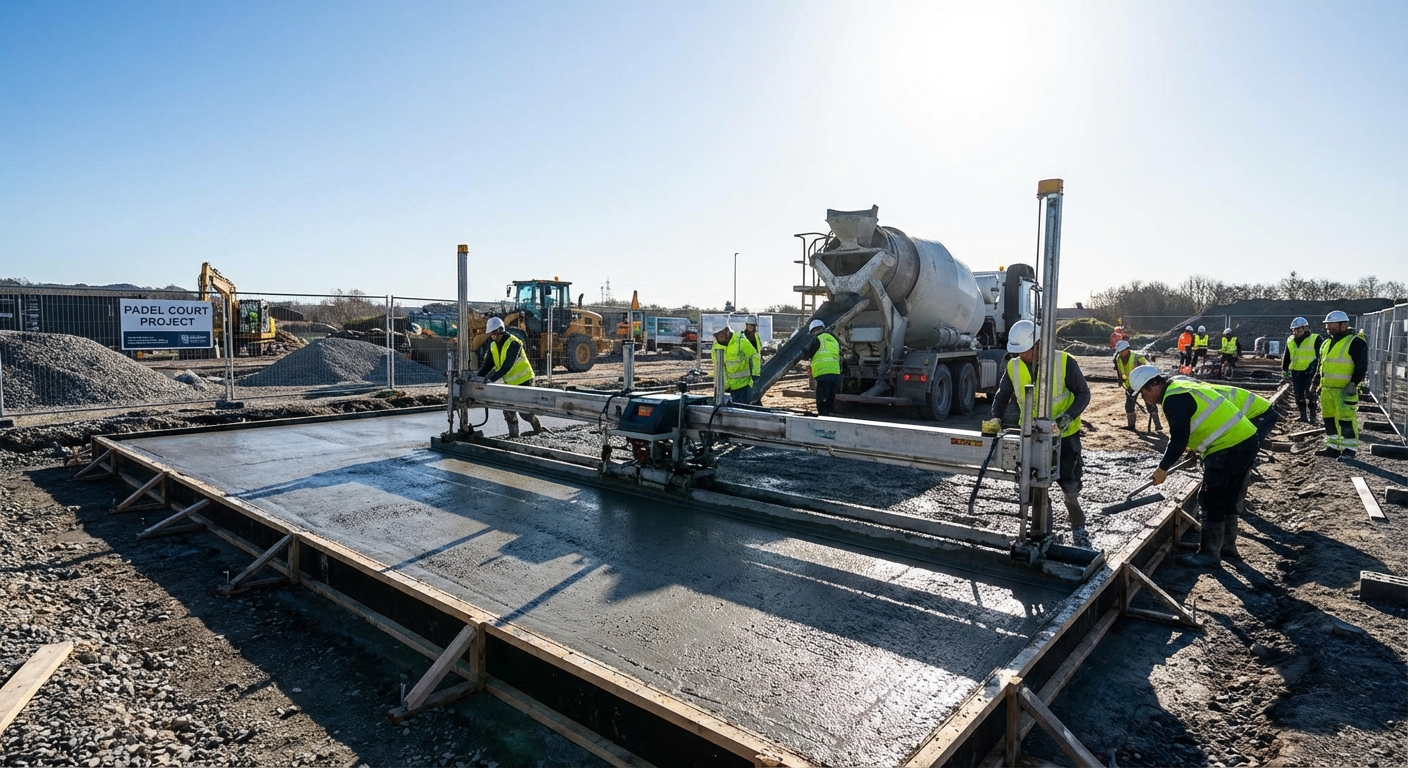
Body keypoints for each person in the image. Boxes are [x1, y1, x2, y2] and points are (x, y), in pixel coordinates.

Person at [1131, 365, 1259, 568]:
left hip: (1228, 446)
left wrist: (1163, 467)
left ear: (1154, 384)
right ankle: (1226, 547)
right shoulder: (1179, 386)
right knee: (1228, 496)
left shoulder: (1174, 398)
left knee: (1209, 499)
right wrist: (1195, 448)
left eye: (1143, 393)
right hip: (1245, 440)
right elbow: (1198, 421)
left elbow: (1178, 438)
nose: (1144, 398)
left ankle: (1209, 555)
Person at [985, 319, 1092, 548]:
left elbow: (1083, 394)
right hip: (1032, 437)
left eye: (1026, 351)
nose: (1022, 356)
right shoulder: (1014, 367)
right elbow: (1002, 397)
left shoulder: (1064, 362)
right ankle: (1044, 532)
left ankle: (1078, 528)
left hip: (1064, 436)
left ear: (1039, 343)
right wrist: (995, 418)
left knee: (1069, 487)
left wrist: (1065, 419)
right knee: (1035, 486)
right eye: (1019, 352)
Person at [476, 317, 544, 438]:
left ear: (501, 330)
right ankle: (514, 436)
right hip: (510, 382)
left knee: (524, 413)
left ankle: (538, 429)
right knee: (508, 410)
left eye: (494, 333)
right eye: (490, 333)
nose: (492, 336)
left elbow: (508, 365)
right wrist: (477, 378)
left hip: (524, 380)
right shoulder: (493, 345)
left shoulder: (514, 343)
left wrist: (492, 379)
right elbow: (488, 364)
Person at [1316, 310, 1368, 458]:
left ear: (1342, 325)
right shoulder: (1326, 343)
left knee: (1346, 420)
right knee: (1329, 419)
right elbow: (1322, 364)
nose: (1327, 327)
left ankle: (1349, 449)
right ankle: (1332, 447)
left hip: (1345, 390)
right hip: (1327, 389)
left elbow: (1361, 365)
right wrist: (1316, 380)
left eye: (1330, 324)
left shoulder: (1356, 342)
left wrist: (1354, 382)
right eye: (1327, 324)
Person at [1113, 340, 1163, 432]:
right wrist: (1120, 381)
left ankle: (1158, 425)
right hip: (1130, 386)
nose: (1120, 353)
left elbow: (1148, 371)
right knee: (1129, 406)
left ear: (1127, 349)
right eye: (1119, 352)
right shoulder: (1118, 359)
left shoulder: (1138, 358)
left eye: (1122, 351)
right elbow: (1119, 371)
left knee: (1150, 404)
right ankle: (1131, 425)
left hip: (1144, 384)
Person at [1281, 317, 1320, 423]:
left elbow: (1321, 355)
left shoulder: (1315, 338)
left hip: (1310, 370)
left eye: (1299, 329)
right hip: (1296, 370)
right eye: (1295, 330)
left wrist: (1318, 370)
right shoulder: (1290, 340)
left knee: (1310, 393)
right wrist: (1284, 369)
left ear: (1305, 328)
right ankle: (1303, 416)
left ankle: (1313, 417)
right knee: (1298, 394)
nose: (1297, 332)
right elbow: (1287, 355)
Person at [802, 319, 842, 416]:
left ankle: (823, 418)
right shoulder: (833, 339)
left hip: (823, 373)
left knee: (822, 399)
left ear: (813, 330)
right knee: (830, 398)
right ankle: (830, 414)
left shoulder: (817, 339)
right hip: (835, 373)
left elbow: (808, 355)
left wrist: (803, 351)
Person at [712, 324, 756, 404]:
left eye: (721, 334)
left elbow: (754, 356)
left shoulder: (740, 341)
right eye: (717, 335)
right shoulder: (716, 346)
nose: (719, 337)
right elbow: (717, 365)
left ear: (727, 331)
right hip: (724, 387)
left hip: (741, 385)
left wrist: (755, 374)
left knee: (739, 410)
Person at [742, 316, 764, 399]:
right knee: (745, 388)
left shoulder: (756, 336)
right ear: (746, 325)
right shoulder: (742, 337)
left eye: (752, 325)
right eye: (748, 325)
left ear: (755, 326)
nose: (750, 326)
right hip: (745, 368)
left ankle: (754, 401)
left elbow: (758, 351)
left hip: (756, 369)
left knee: (755, 389)